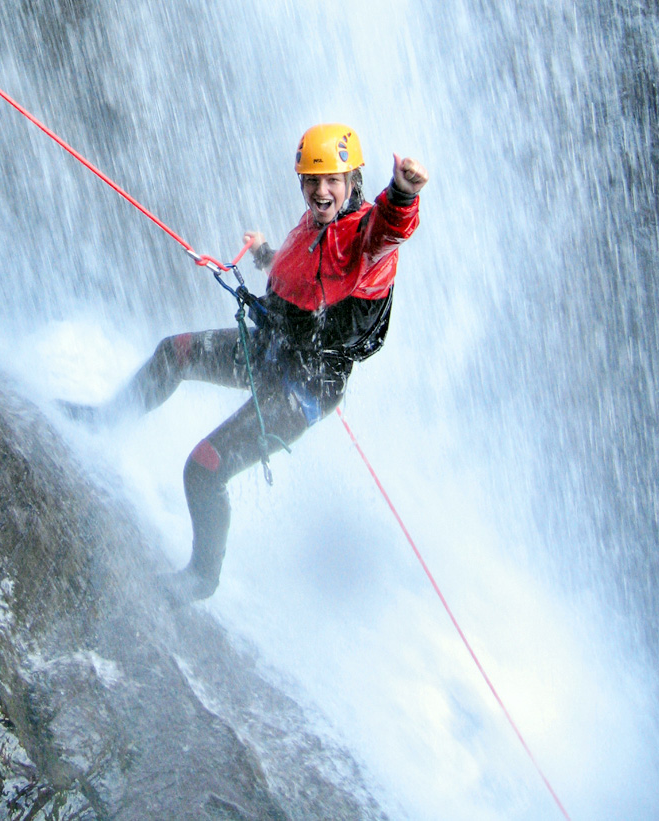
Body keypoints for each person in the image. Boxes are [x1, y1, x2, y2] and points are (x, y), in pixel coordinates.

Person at [63, 123, 428, 602]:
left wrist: (403, 193)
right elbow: (303, 271)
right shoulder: (315, 224)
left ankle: (201, 579)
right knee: (173, 353)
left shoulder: (365, 239)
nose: (321, 191)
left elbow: (388, 230)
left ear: (353, 181)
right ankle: (106, 421)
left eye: (332, 180)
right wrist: (263, 254)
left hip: (305, 388)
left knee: (204, 468)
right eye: (311, 180)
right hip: (270, 349)